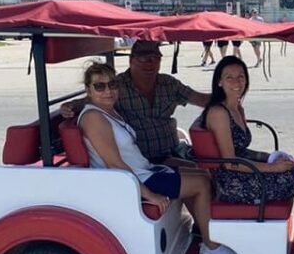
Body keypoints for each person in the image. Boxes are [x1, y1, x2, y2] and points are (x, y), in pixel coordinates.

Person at [77, 63, 239, 254]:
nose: (108, 91)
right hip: (130, 181)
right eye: (100, 87)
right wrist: (148, 194)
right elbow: (114, 163)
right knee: (201, 184)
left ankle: (202, 229)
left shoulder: (107, 110)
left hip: (143, 170)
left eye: (112, 84)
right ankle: (211, 248)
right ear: (88, 90)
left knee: (199, 173)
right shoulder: (94, 117)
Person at [201, 56, 294, 254]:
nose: (236, 82)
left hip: (243, 174)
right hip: (233, 184)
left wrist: (269, 157)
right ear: (219, 82)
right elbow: (230, 162)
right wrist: (272, 168)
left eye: (241, 77)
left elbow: (240, 151)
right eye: (229, 78)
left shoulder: (236, 107)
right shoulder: (219, 113)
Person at [62, 40, 211, 164]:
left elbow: (200, 99)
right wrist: (71, 106)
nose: (149, 63)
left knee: (207, 171)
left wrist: (229, 97)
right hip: (143, 159)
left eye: (154, 58)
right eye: (143, 59)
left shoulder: (169, 83)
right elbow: (91, 99)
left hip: (173, 151)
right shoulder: (116, 86)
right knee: (201, 180)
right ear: (131, 60)